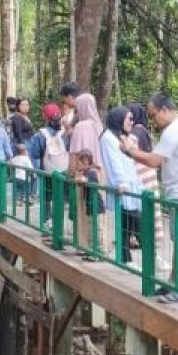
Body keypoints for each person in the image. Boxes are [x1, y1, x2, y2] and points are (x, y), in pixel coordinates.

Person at [120, 93, 178, 303]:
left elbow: (154, 161)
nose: (152, 120)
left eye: (154, 115)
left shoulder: (174, 131)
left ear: (165, 110)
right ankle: (172, 283)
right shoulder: (176, 128)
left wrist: (131, 150)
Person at [126, 103, 170, 280]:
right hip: (149, 179)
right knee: (150, 218)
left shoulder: (136, 133)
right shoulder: (143, 131)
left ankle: (151, 257)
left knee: (142, 218)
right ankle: (152, 255)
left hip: (141, 181)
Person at [100, 107, 144, 263]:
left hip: (131, 185)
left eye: (133, 118)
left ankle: (126, 259)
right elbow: (112, 162)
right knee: (135, 225)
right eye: (129, 119)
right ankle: (144, 259)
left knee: (128, 226)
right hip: (123, 187)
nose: (132, 122)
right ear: (119, 119)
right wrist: (120, 182)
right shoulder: (108, 138)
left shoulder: (123, 137)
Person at [68, 94, 106, 252]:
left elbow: (75, 153)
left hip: (82, 173)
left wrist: (72, 172)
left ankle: (84, 245)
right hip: (98, 172)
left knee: (83, 210)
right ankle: (100, 245)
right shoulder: (99, 126)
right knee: (98, 210)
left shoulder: (81, 126)